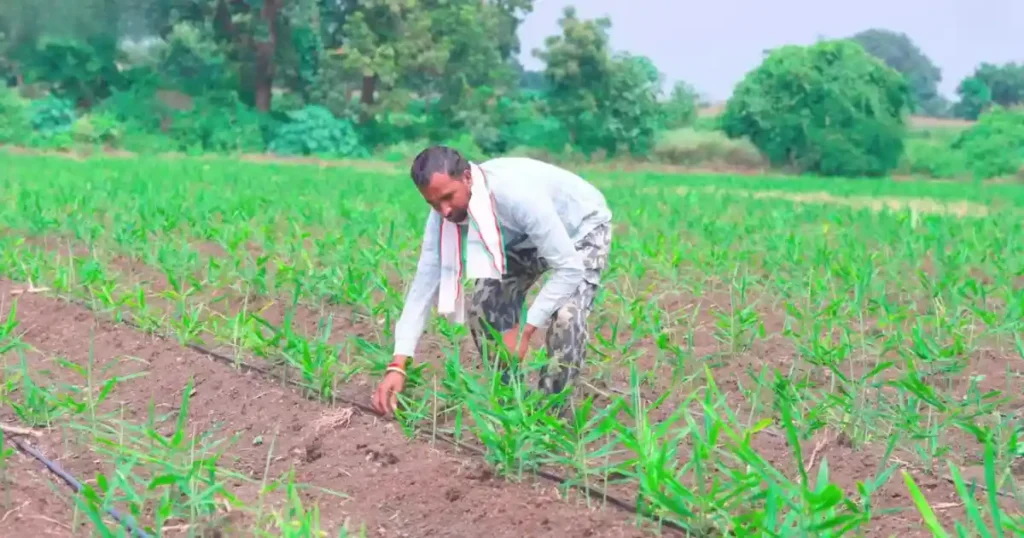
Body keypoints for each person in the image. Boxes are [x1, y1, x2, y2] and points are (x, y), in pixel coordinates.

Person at [370, 145, 613, 416]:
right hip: (521, 240)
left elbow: (568, 269)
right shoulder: (443, 217)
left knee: (567, 317)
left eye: (448, 197)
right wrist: (398, 364)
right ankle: (511, 405)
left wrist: (526, 329)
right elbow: (424, 285)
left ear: (467, 177)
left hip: (578, 230)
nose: (445, 211)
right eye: (433, 203)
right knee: (485, 308)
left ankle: (551, 415)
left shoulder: (516, 196)